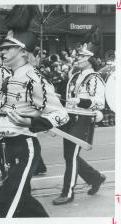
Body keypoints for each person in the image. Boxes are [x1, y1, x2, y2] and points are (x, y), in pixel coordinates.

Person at [0, 5, 69, 218]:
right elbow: (5, 107)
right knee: (8, 201)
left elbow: (61, 114)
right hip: (2, 145)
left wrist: (30, 123)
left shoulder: (34, 79)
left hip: (23, 147)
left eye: (7, 48)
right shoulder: (9, 77)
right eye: (1, 48)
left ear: (23, 51)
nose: (1, 52)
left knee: (8, 206)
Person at [53, 28, 106, 205]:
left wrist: (80, 101)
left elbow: (98, 102)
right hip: (70, 119)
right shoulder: (74, 75)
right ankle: (95, 178)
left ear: (90, 59)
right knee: (69, 156)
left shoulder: (95, 78)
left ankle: (68, 192)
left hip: (83, 121)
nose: (78, 58)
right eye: (79, 56)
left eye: (82, 57)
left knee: (71, 156)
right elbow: (68, 100)